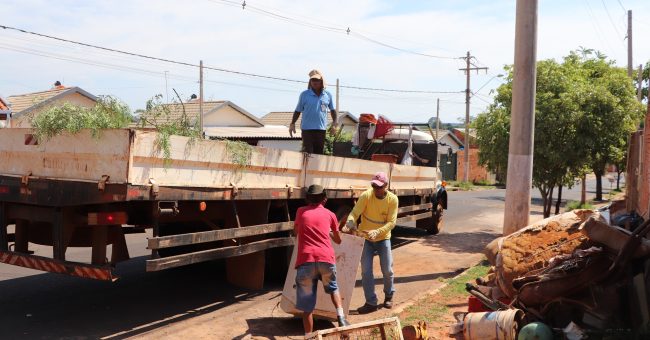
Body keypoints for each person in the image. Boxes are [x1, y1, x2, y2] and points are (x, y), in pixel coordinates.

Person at [294, 184, 350, 334]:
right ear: (324, 199)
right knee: (333, 288)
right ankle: (341, 316)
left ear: (307, 198)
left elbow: (296, 232)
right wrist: (329, 232)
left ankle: (309, 337)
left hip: (306, 261)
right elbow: (338, 240)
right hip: (326, 259)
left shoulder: (300, 211)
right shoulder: (331, 215)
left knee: (307, 308)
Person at [344, 172, 398, 314]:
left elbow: (392, 222)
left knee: (387, 270)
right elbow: (354, 213)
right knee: (366, 271)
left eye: (379, 186)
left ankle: (389, 295)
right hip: (366, 238)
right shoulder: (366, 196)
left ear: (386, 186)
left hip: (383, 238)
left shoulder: (393, 200)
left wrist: (378, 232)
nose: (376, 189)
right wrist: (350, 222)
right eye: (374, 185)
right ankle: (371, 302)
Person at [290, 69, 338, 154]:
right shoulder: (304, 94)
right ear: (310, 82)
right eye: (312, 80)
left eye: (317, 80)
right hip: (307, 129)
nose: (314, 82)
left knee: (318, 154)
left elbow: (332, 110)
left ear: (321, 81)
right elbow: (298, 111)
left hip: (321, 129)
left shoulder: (327, 95)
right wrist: (292, 123)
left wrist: (335, 123)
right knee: (308, 154)